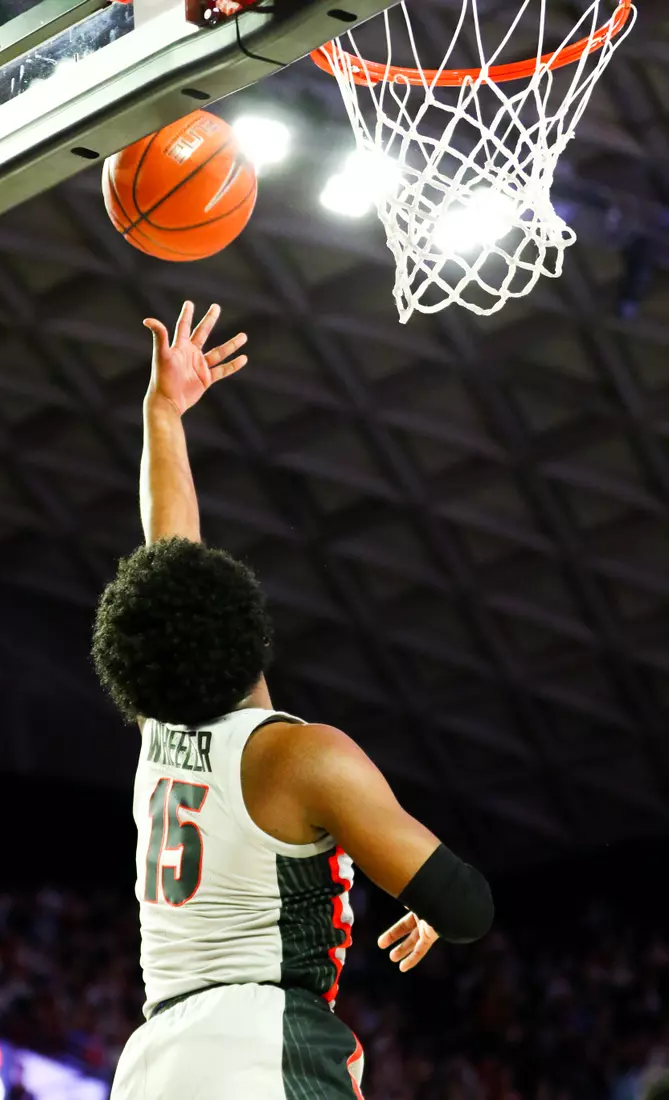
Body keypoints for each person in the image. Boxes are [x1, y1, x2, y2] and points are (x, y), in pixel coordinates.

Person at [92, 302, 494, 1099]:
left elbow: (168, 550)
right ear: (249, 625)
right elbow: (468, 903)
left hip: (152, 1063)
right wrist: (436, 909)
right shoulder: (301, 756)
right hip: (260, 1050)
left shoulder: (158, 724)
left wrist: (164, 412)